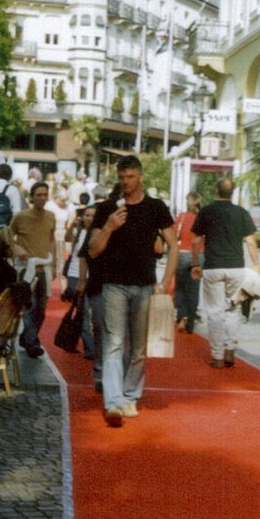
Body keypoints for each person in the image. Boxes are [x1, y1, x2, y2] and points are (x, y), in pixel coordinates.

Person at [88, 155, 177, 427]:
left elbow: (174, 245)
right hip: (113, 284)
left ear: (140, 177)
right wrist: (109, 227)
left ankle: (130, 395)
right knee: (114, 342)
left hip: (145, 285)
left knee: (138, 347)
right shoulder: (107, 209)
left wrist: (166, 281)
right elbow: (92, 250)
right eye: (122, 177)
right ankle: (113, 402)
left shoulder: (155, 207)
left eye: (130, 177)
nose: (125, 182)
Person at [190, 180, 258, 368]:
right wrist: (256, 264)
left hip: (213, 267)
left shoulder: (207, 211)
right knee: (234, 309)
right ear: (233, 192)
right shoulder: (242, 213)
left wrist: (195, 264)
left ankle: (217, 356)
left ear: (216, 190)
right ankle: (230, 349)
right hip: (236, 267)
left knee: (214, 311)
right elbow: (251, 241)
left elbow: (196, 241)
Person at [9, 182, 56, 358]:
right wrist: (17, 248)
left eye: (45, 194)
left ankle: (27, 338)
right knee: (30, 306)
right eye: (39, 195)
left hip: (44, 267)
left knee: (41, 310)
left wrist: (55, 263)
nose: (42, 198)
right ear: (32, 197)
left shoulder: (51, 216)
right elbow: (8, 237)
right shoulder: (20, 217)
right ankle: (31, 343)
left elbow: (51, 239)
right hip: (26, 269)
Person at [65, 205, 96, 358]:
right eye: (87, 215)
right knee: (83, 311)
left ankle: (80, 342)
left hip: (93, 277)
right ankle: (91, 349)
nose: (89, 218)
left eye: (92, 215)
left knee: (87, 312)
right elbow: (67, 238)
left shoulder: (99, 233)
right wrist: (72, 225)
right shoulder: (79, 232)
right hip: (75, 275)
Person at [173, 191, 202, 334]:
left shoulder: (182, 217)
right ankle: (190, 322)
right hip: (199, 255)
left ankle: (181, 316)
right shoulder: (203, 218)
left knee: (180, 287)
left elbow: (173, 236)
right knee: (193, 289)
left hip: (182, 254)